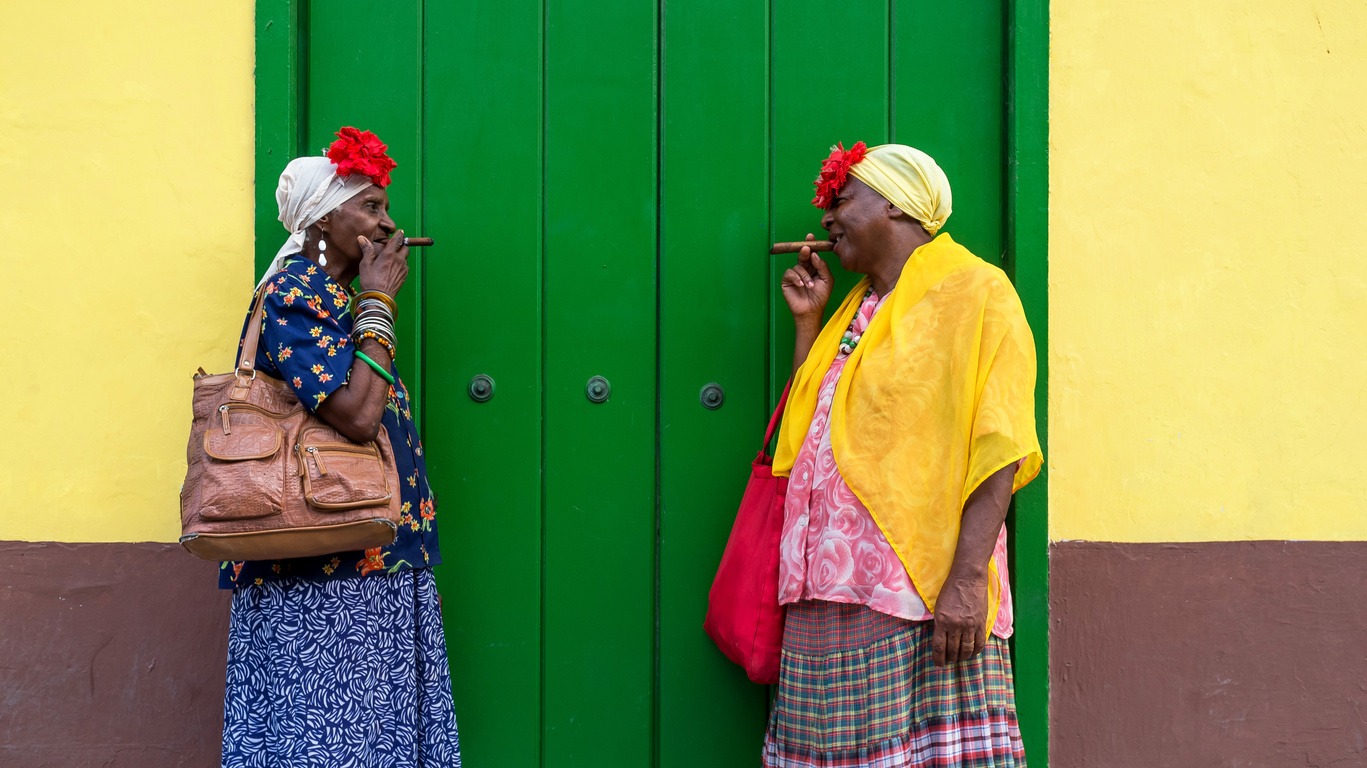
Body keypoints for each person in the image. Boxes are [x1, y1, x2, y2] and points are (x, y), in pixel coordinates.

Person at [764, 142, 1042, 767]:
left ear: (894, 205)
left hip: (915, 595)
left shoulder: (976, 293)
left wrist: (968, 580)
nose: (828, 219)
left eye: (842, 202)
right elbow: (817, 428)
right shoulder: (859, 310)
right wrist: (809, 325)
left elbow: (1000, 448)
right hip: (829, 592)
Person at [219, 127, 461, 767]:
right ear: (323, 220)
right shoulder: (297, 293)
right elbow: (355, 414)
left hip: (362, 556)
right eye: (372, 208)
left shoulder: (330, 297)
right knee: (337, 739)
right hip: (325, 570)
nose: (388, 225)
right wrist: (380, 302)